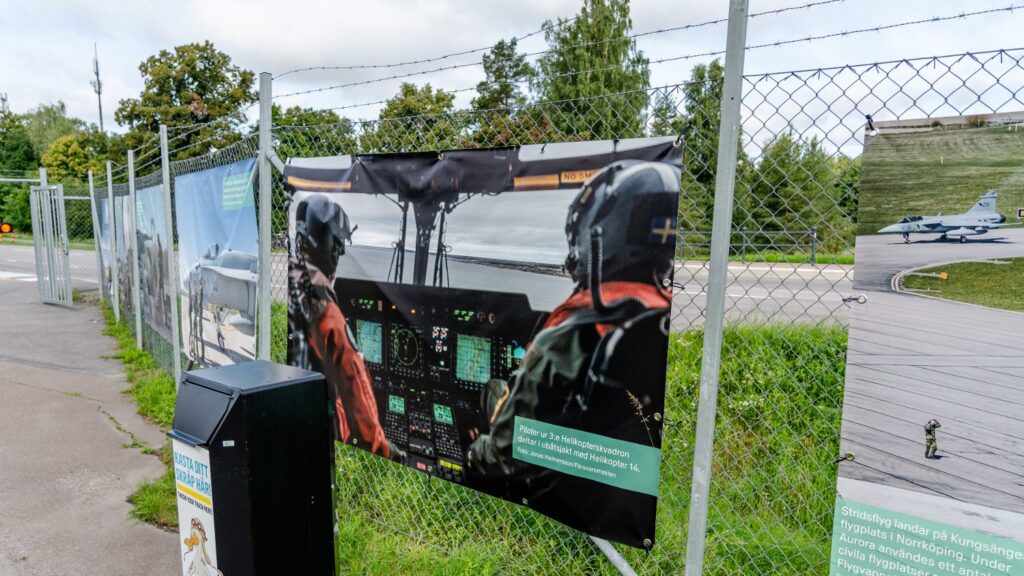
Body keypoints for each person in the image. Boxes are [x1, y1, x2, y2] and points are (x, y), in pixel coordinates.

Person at [465, 160, 679, 536]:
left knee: (493, 391)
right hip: (620, 492)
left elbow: (503, 459)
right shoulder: (659, 318)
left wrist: (470, 453)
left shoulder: (568, 337)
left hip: (555, 487)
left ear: (600, 233)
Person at [289, 194, 392, 458]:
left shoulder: (296, 287)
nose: (341, 252)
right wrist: (386, 449)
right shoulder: (327, 314)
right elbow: (360, 404)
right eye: (336, 243)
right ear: (321, 242)